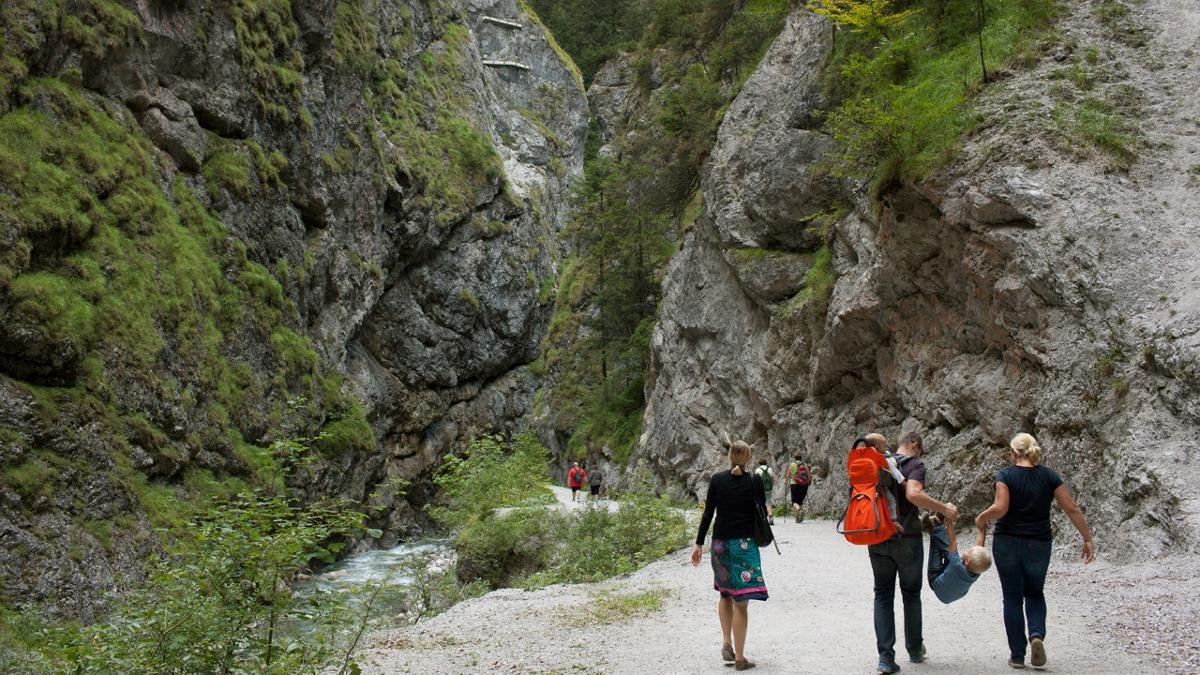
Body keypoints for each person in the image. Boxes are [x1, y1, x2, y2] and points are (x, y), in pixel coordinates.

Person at [975, 432, 1095, 670]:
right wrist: (1087, 538)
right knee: (1034, 592)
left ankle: (1017, 655)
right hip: (1038, 543)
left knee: (1012, 597)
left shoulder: (1006, 475)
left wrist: (982, 517)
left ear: (1013, 453)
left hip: (1007, 541)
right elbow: (1071, 507)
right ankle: (1037, 635)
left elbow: (1000, 508)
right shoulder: (1049, 476)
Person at [867, 431, 958, 674]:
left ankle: (886, 659)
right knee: (910, 593)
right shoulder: (915, 464)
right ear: (914, 444)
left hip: (877, 537)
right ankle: (915, 649)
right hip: (907, 539)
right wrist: (943, 508)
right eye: (921, 448)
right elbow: (913, 494)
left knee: (883, 595)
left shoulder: (874, 463)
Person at [691, 439, 768, 671]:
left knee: (725, 594)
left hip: (719, 544)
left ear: (730, 456)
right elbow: (762, 510)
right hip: (744, 545)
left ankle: (726, 642)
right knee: (741, 603)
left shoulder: (717, 480)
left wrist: (698, 544)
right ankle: (740, 658)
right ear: (748, 458)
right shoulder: (754, 481)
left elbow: (707, 514)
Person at [922, 511, 991, 604]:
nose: (967, 550)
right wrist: (983, 530)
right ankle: (933, 527)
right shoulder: (976, 571)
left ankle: (936, 526)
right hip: (948, 588)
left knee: (946, 547)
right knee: (948, 552)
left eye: (969, 551)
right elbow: (979, 548)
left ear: (968, 562)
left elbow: (952, 540)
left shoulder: (957, 565)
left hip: (935, 581)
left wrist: (948, 517)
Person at [784, 453, 812, 523]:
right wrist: (808, 482)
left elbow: (788, 474)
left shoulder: (792, 464)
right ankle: (798, 518)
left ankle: (799, 510)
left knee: (794, 502)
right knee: (800, 501)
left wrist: (786, 481)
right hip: (804, 485)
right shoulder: (805, 465)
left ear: (794, 458)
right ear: (801, 458)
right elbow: (809, 475)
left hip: (795, 484)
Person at [754, 459, 775, 525]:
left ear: (759, 463)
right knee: (768, 502)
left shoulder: (757, 470)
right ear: (766, 463)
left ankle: (763, 518)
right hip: (769, 489)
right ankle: (770, 516)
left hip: (760, 489)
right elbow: (772, 479)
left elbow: (756, 480)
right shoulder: (770, 469)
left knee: (761, 502)